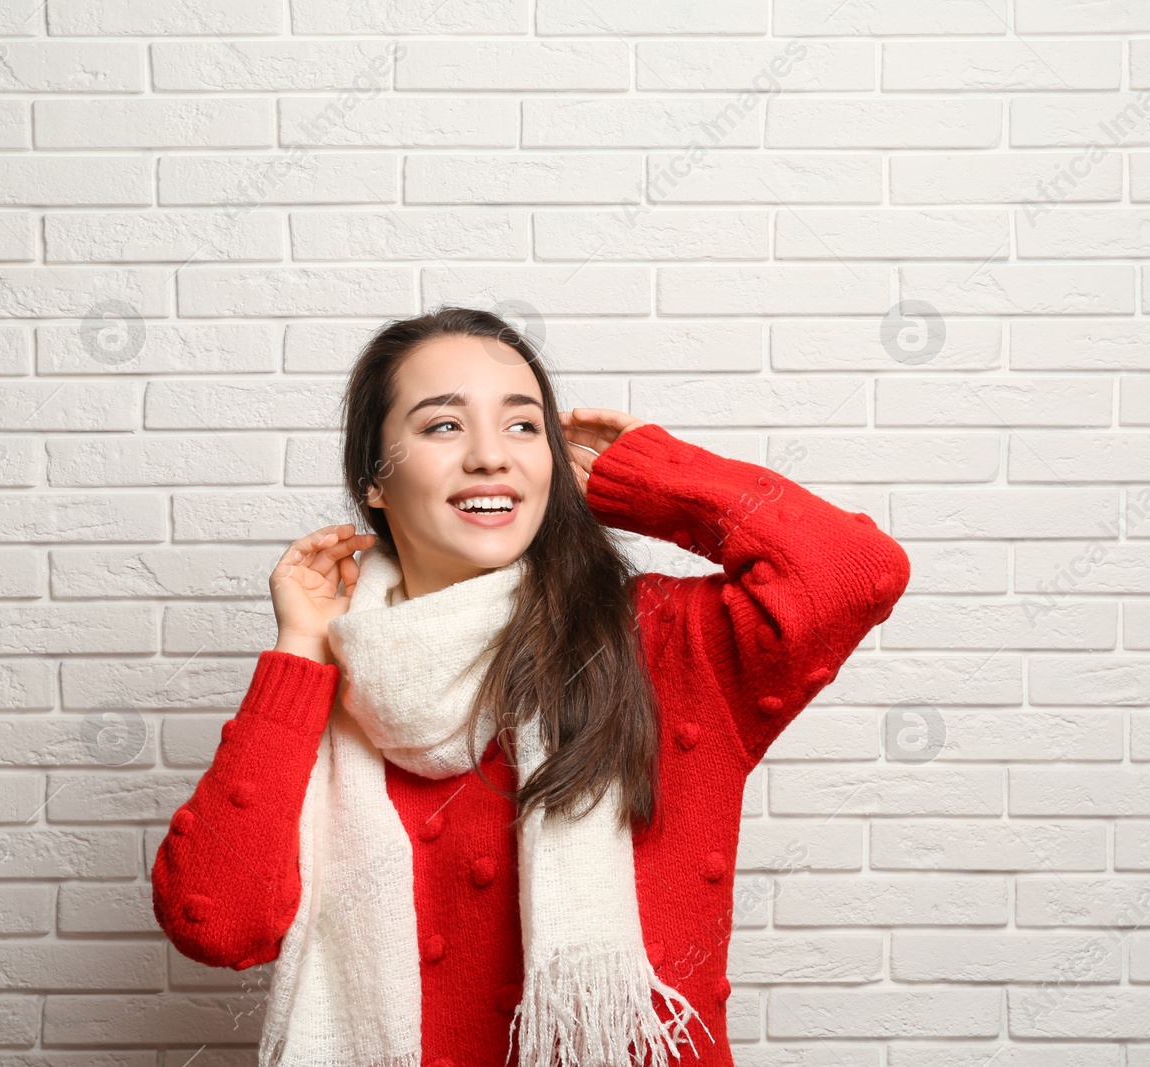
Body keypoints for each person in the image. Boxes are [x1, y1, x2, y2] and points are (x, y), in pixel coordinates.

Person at [150, 306, 911, 1067]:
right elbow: (218, 923)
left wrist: (648, 479)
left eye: (522, 426)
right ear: (373, 482)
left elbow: (857, 571)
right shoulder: (332, 682)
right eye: (443, 426)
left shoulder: (662, 644)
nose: (491, 456)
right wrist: (300, 653)